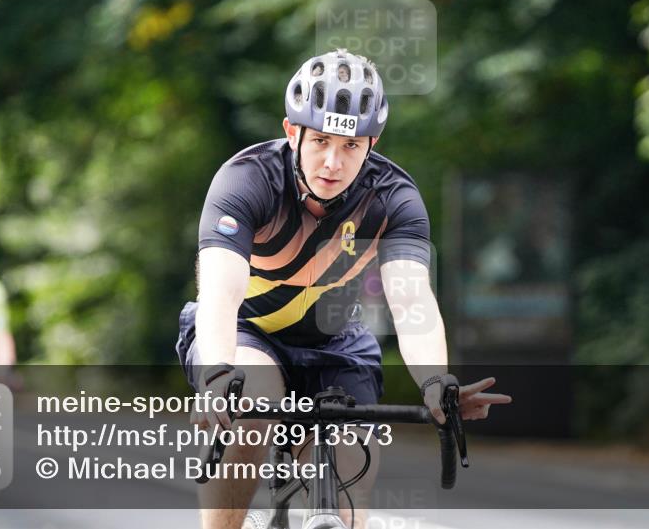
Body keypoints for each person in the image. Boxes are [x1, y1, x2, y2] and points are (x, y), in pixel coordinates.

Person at [176, 48, 511, 529]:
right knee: (248, 401)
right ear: (293, 133)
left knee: (347, 508)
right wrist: (214, 375)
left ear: (372, 143)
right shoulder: (248, 179)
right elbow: (221, 293)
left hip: (336, 343)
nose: (333, 162)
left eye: (351, 146)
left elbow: (411, 300)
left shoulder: (393, 198)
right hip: (249, 333)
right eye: (321, 142)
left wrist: (436, 382)